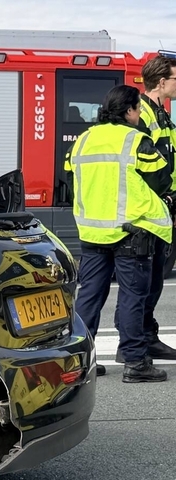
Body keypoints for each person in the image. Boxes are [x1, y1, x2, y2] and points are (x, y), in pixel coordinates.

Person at [66, 85, 173, 382]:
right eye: (138, 109)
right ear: (128, 111)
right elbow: (162, 178)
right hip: (130, 229)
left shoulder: (83, 140)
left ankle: (79, 363)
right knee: (132, 297)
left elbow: (70, 177)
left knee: (89, 297)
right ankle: (136, 363)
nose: (139, 114)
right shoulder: (135, 140)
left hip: (91, 232)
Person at [122, 55, 176, 363]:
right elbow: (141, 167)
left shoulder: (161, 114)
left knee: (155, 280)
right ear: (161, 82)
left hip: (164, 207)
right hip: (149, 210)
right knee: (146, 281)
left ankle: (147, 336)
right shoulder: (144, 116)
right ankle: (141, 342)